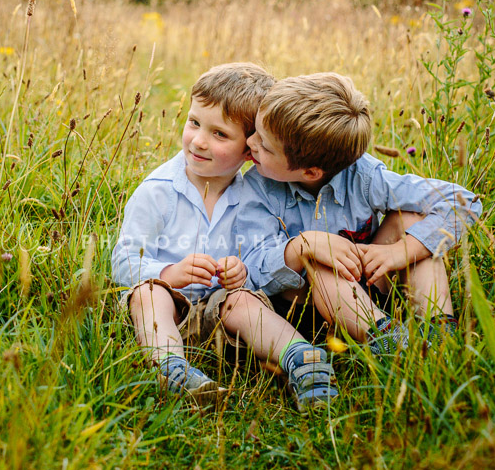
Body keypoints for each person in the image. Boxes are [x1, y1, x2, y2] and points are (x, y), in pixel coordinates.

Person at [111, 63, 338, 407]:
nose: (199, 140)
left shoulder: (253, 196)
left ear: (250, 149)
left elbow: (261, 257)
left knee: (245, 301)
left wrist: (241, 272)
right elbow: (125, 259)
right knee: (147, 294)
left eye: (220, 134)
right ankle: (172, 369)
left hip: (224, 317)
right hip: (169, 313)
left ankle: (304, 360)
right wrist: (168, 275)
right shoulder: (158, 190)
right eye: (194, 122)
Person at [238, 72, 482, 354]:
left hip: (368, 284)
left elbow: (465, 201)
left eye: (264, 145)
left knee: (411, 219)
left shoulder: (363, 176)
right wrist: (302, 246)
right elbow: (251, 269)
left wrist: (401, 251)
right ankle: (389, 343)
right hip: (306, 308)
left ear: (311, 172)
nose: (251, 142)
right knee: (321, 262)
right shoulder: (257, 188)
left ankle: (439, 333)